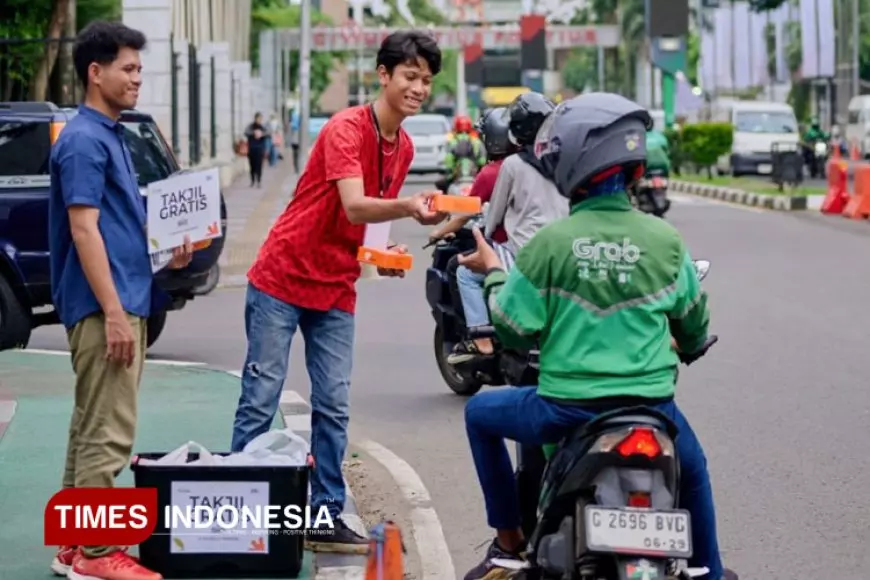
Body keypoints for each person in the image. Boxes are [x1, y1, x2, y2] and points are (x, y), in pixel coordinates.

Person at [456, 92, 737, 580]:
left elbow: (512, 327)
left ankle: (508, 542)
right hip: (652, 408)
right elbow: (694, 325)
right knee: (694, 468)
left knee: (480, 415)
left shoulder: (552, 243)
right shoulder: (665, 240)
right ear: (631, 170)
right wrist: (686, 346)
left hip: (566, 409)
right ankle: (709, 571)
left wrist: (493, 273)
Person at [230, 30, 447, 554]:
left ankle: (324, 514)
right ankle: (240, 513)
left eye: (426, 80)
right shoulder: (345, 129)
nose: (419, 88)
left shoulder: (406, 145)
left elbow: (367, 225)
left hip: (335, 287)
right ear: (384, 74)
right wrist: (411, 208)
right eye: (410, 76)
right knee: (261, 398)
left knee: (333, 404)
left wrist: (384, 254)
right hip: (283, 275)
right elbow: (354, 204)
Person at [47, 20, 194, 580]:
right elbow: (84, 230)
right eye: (128, 69)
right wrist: (112, 311)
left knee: (90, 424)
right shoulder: (85, 140)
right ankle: (95, 553)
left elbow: (116, 226)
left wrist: (165, 257)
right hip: (105, 303)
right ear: (95, 72)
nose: (137, 79)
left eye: (139, 68)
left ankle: (73, 545)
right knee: (109, 429)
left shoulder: (108, 133)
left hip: (121, 295)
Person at [446, 92, 567, 365]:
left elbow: (493, 217)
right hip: (562, 252)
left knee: (465, 272)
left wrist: (485, 238)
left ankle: (483, 340)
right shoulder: (561, 162)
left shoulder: (511, 166)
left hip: (524, 253)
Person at [427, 107, 515, 247]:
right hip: (531, 246)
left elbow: (464, 215)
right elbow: (480, 159)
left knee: (457, 266)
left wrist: (439, 233)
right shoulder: (533, 166)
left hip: (502, 247)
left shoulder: (490, 173)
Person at [435, 115, 487, 193]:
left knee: (440, 185)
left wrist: (450, 173)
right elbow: (482, 161)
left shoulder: (451, 141)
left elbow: (448, 161)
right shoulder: (476, 141)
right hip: (475, 177)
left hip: (456, 178)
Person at [245, 112, 267, 187]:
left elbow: (268, 133)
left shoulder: (262, 127)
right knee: (252, 165)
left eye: (260, 119)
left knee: (259, 165)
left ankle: (259, 181)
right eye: (258, 118)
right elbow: (246, 132)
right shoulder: (251, 126)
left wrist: (262, 134)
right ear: (255, 118)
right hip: (252, 148)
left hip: (260, 149)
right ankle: (252, 180)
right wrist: (254, 133)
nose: (259, 120)